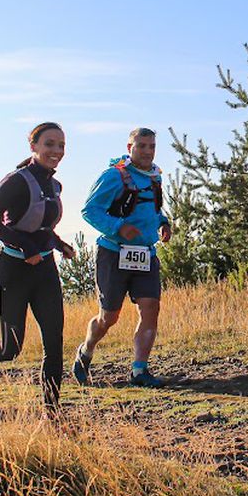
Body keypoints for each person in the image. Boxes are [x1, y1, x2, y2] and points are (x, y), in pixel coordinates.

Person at [0, 122, 75, 416]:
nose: (56, 151)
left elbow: (42, 227)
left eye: (61, 145)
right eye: (49, 144)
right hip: (13, 272)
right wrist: (26, 248)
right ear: (33, 146)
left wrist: (60, 245)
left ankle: (52, 412)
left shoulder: (54, 185)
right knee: (10, 349)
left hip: (45, 271)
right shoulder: (16, 181)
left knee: (54, 341)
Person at [73, 127, 172, 388]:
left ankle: (139, 371)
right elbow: (89, 210)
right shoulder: (113, 176)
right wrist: (119, 227)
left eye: (152, 146)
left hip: (145, 254)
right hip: (114, 253)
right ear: (130, 148)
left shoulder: (154, 176)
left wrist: (164, 223)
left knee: (150, 308)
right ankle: (85, 351)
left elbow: (154, 208)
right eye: (142, 146)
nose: (148, 151)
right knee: (109, 317)